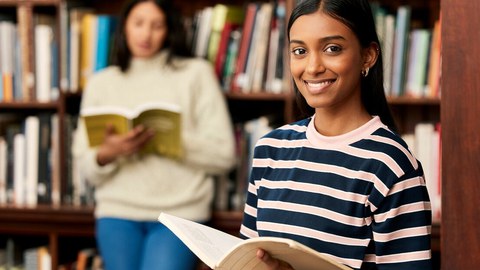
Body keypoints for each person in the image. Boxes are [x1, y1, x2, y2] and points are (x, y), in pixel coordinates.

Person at [239, 0, 433, 269]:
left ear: (368, 55)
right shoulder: (269, 149)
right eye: (299, 51)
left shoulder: (391, 164)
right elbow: (247, 257)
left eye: (332, 49)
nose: (313, 67)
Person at [72, 0, 236, 269]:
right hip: (116, 211)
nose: (145, 34)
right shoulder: (101, 83)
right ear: (124, 26)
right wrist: (109, 153)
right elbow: (87, 166)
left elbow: (224, 155)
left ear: (169, 30)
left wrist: (170, 142)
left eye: (156, 25)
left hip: (179, 214)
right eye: (138, 23)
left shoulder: (196, 74)